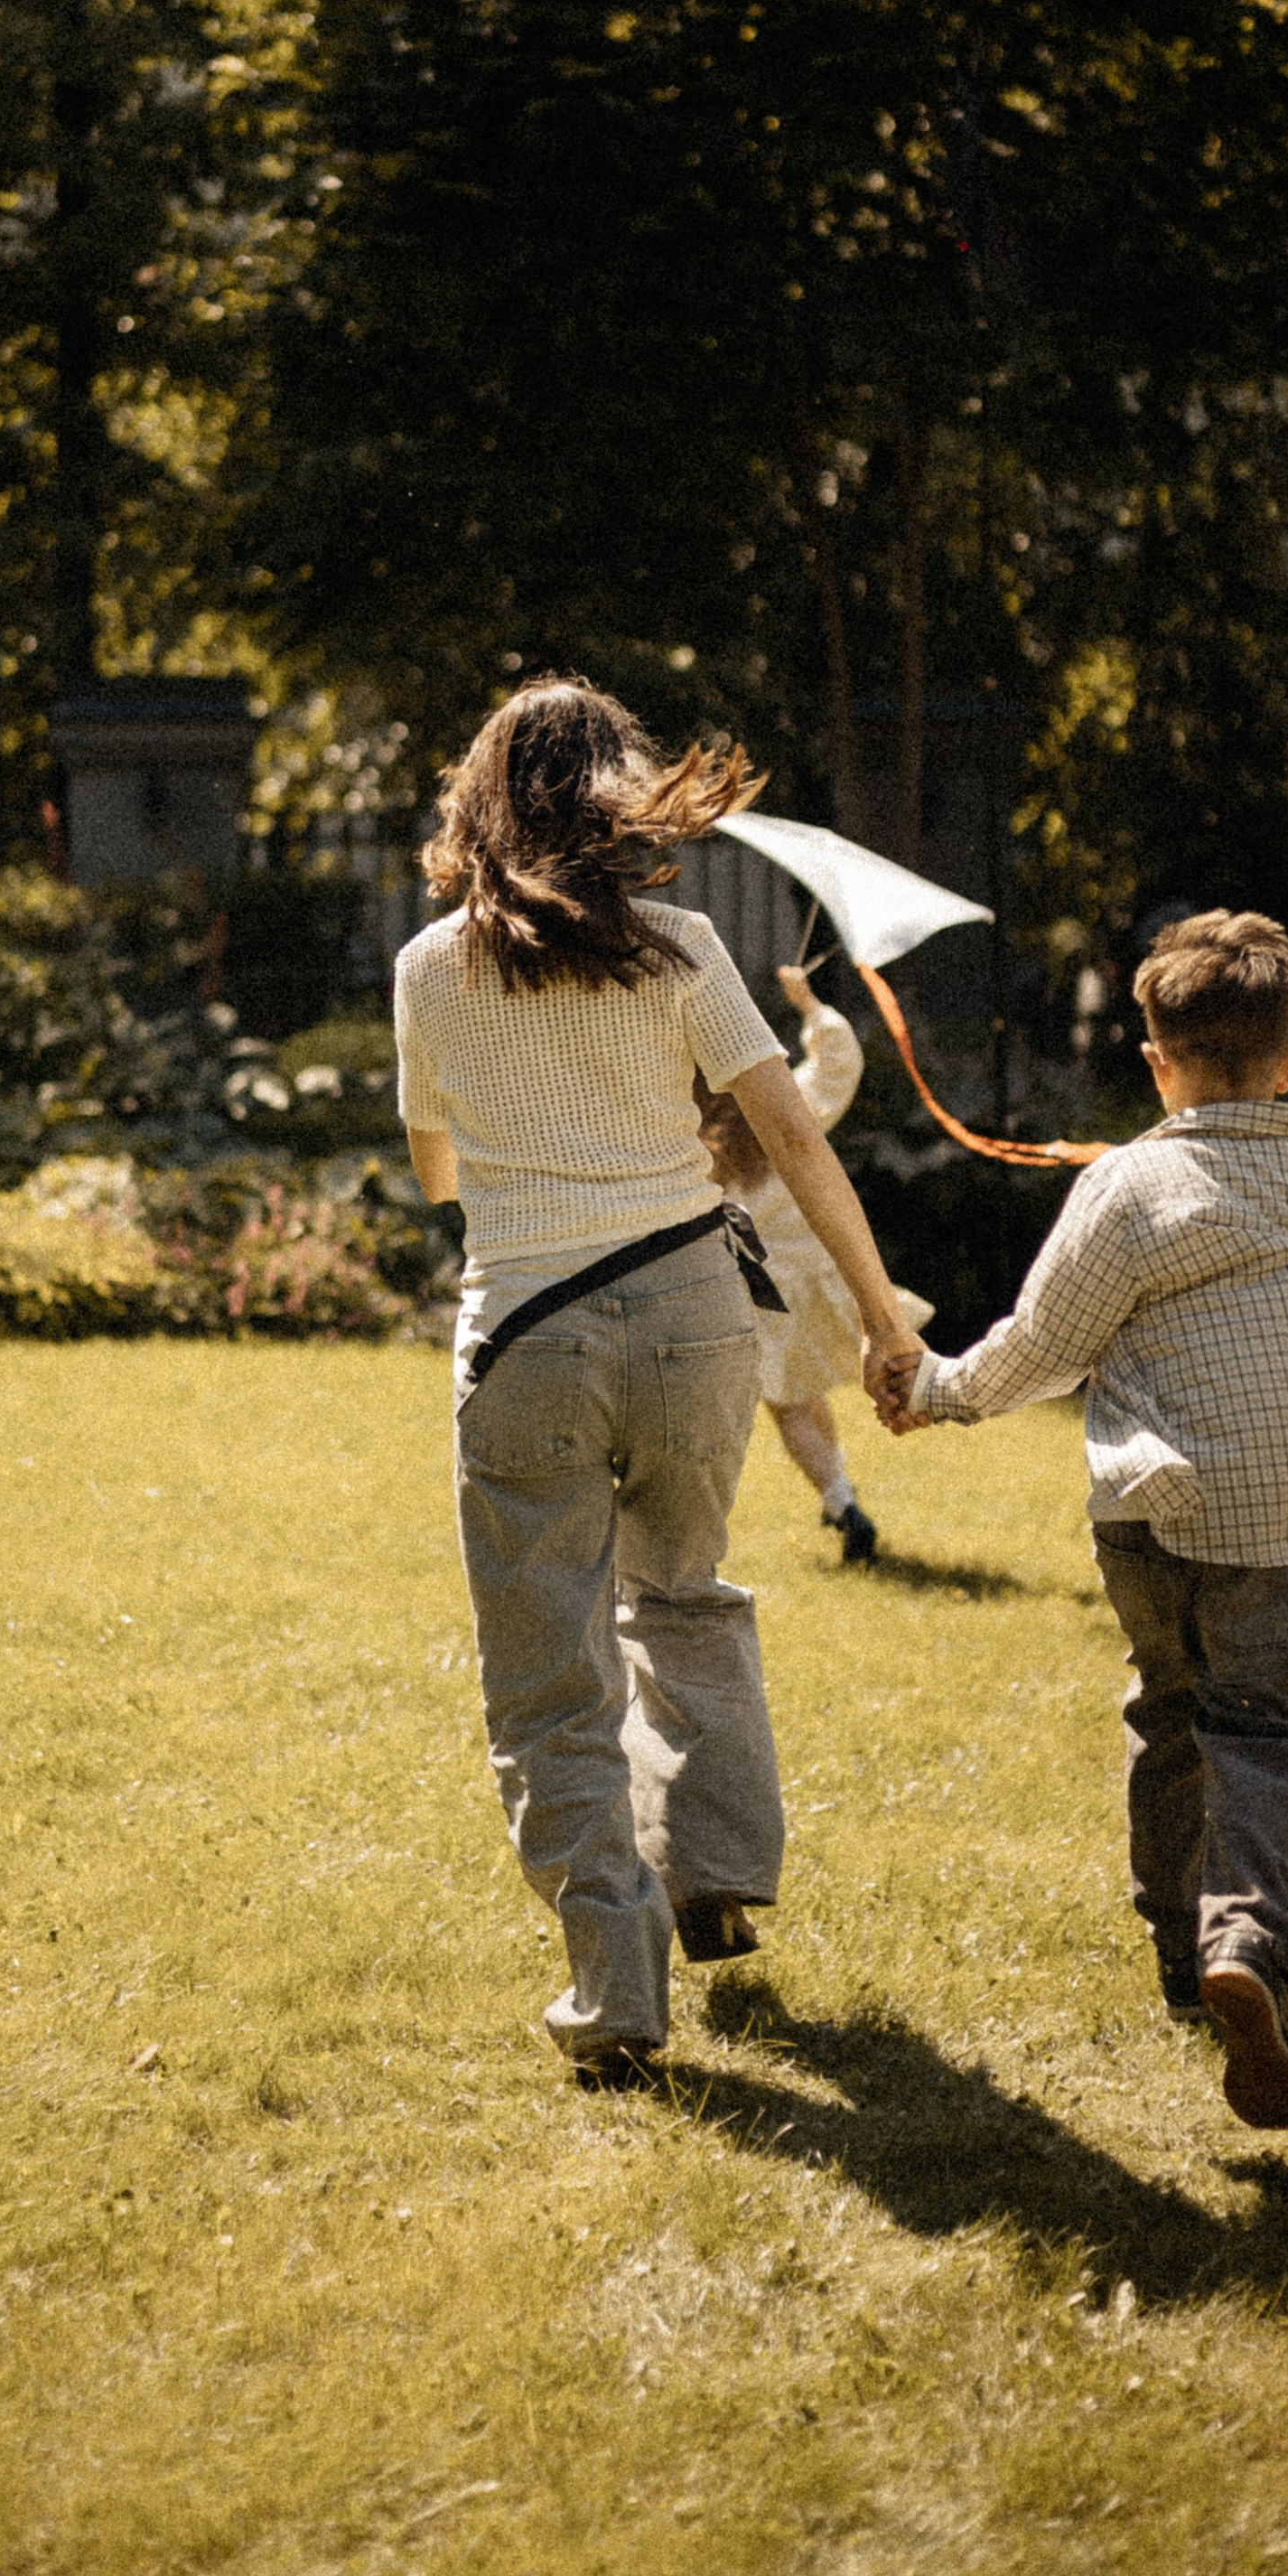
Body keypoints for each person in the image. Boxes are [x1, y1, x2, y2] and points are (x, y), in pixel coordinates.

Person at [396, 679, 924, 2093]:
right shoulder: (683, 951)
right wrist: (881, 1320)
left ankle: (613, 1987)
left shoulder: (431, 968)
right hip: (699, 1318)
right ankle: (719, 1877)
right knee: (686, 1592)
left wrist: (511, 1148)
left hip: (528, 1335)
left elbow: (435, 1170)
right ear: (621, 796)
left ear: (481, 803)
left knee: (548, 1673)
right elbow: (797, 1145)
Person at [877, 910, 1288, 2131]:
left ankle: (1180, 1955)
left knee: (1167, 1710)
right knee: (1257, 1732)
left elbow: (1045, 1347)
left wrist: (933, 1391)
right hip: (1277, 1525)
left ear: (1154, 1064)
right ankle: (1245, 1947)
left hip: (1153, 1521)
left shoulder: (1131, 1184)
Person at [698, 961, 931, 1569]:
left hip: (762, 1291)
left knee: (791, 1406)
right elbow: (838, 1064)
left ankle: (842, 1502)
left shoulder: (698, 1140)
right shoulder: (785, 1107)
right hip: (821, 1279)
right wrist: (808, 1005)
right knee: (804, 1393)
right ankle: (840, 1497)